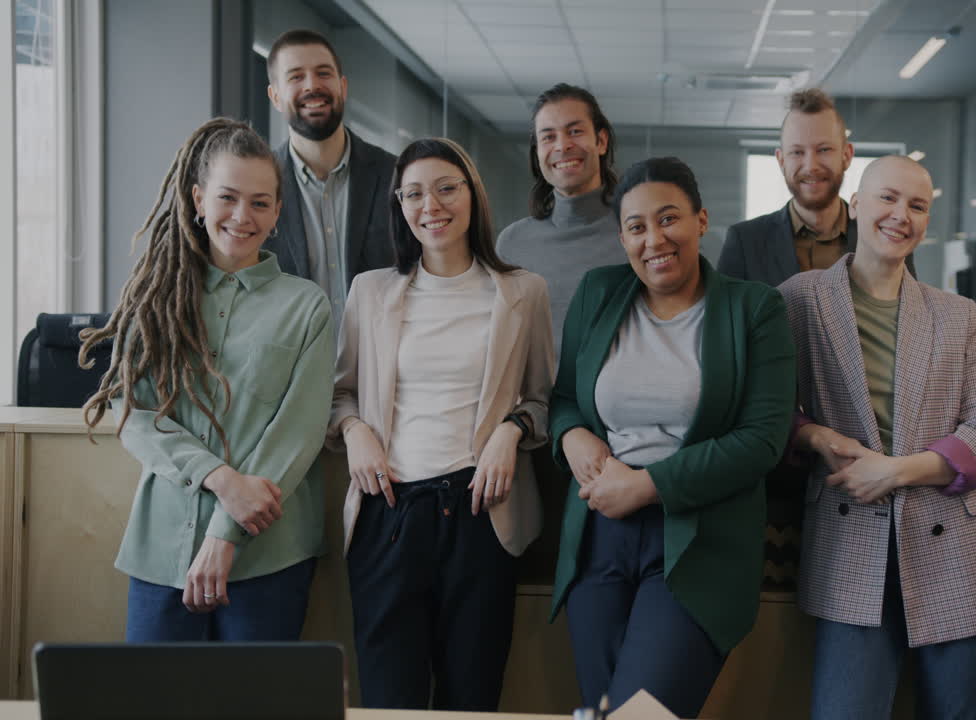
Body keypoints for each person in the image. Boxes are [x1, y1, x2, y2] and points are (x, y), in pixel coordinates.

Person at [549, 157, 796, 717]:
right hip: (599, 537)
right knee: (602, 710)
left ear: (701, 220)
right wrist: (572, 438)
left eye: (668, 219)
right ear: (622, 237)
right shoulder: (597, 293)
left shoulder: (753, 308)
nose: (654, 239)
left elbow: (762, 440)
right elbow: (564, 399)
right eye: (636, 227)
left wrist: (647, 486)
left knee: (640, 714)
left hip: (696, 541)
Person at [780, 156, 976, 719]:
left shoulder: (955, 314)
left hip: (960, 551)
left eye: (917, 206)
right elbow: (766, 410)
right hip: (848, 544)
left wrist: (894, 470)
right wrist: (814, 434)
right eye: (887, 198)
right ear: (856, 205)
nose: (900, 216)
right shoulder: (801, 299)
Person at [79, 117, 334, 642]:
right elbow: (136, 416)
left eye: (261, 202)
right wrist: (220, 479)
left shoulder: (307, 306)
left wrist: (225, 533)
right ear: (198, 199)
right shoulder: (156, 298)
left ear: (277, 211)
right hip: (160, 549)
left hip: (269, 555)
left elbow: (298, 433)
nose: (243, 216)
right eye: (227, 197)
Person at [329, 137, 554, 711]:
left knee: (471, 698)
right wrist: (354, 431)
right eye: (413, 194)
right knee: (389, 700)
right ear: (399, 208)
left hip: (481, 513)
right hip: (389, 512)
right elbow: (340, 395)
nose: (431, 205)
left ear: (472, 194)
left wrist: (512, 430)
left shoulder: (523, 292)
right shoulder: (371, 291)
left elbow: (546, 398)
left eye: (445, 188)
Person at [264, 28, 397, 321]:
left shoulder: (396, 177)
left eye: (323, 73)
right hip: (290, 366)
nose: (312, 86)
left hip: (379, 363)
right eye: (296, 76)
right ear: (275, 96)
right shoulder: (257, 187)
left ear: (343, 86)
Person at [718, 88, 912, 288]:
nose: (811, 166)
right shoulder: (745, 243)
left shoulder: (888, 235)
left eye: (824, 150)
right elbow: (725, 318)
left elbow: (910, 315)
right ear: (781, 160)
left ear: (846, 156)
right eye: (797, 152)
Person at [496, 83, 628, 349]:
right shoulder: (511, 244)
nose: (563, 146)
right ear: (537, 152)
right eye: (548, 137)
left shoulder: (635, 234)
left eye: (575, 131)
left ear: (601, 141)